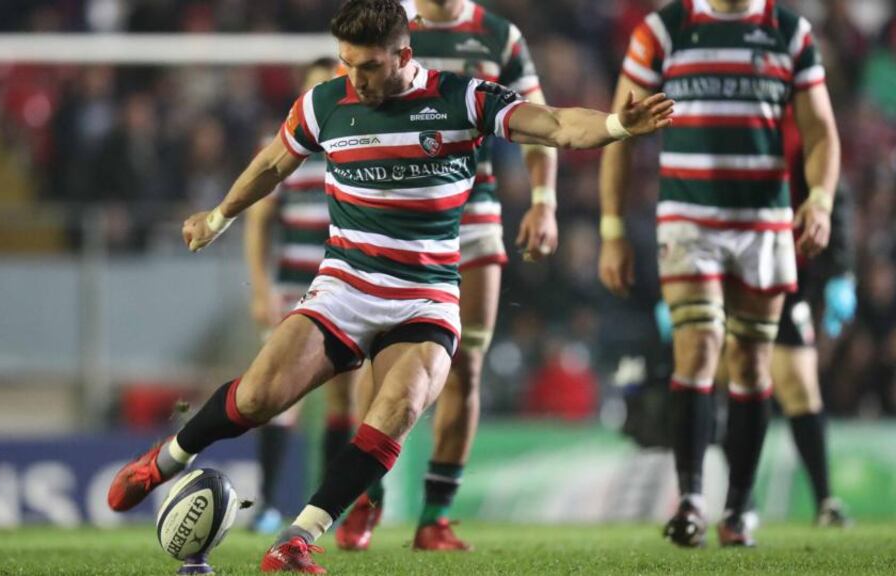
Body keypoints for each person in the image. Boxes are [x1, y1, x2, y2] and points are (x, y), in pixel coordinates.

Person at [108, 0, 672, 571]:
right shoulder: (325, 102)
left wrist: (617, 124)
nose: (355, 78)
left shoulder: (462, 98)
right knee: (258, 397)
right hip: (345, 288)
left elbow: (552, 125)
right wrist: (218, 217)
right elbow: (273, 164)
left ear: (404, 54)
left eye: (369, 67)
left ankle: (298, 539)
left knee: (398, 404)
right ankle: (165, 459)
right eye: (347, 64)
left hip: (424, 296)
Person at [599, 0, 840, 548]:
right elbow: (620, 128)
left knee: (753, 365)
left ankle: (738, 508)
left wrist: (820, 200)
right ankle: (689, 500)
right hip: (690, 220)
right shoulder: (665, 28)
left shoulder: (789, 31)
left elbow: (822, 131)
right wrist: (612, 228)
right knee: (700, 347)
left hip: (762, 223)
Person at [335, 0, 558, 552]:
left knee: (467, 367)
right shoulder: (388, 21)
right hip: (392, 211)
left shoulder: (499, 36)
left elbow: (538, 118)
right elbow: (343, 94)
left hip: (473, 214)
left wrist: (545, 200)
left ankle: (434, 517)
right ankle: (366, 495)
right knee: (381, 363)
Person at [243, 57, 358, 534]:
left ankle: (325, 510)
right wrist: (260, 287)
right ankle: (269, 504)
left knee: (342, 401)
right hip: (294, 291)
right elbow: (258, 220)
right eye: (315, 88)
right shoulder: (285, 148)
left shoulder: (356, 146)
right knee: (278, 398)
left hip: (348, 290)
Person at [762, 104, 855, 527]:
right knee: (729, 378)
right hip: (722, 267)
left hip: (784, 274)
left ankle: (824, 500)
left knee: (799, 382)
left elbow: (835, 190)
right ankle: (733, 504)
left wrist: (841, 271)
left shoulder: (803, 117)